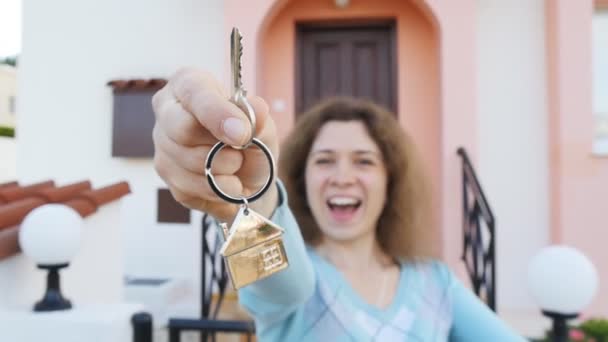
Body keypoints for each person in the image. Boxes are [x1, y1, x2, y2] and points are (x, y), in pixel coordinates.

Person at [152, 68, 526, 341]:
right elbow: (275, 283)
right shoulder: (297, 274)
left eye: (364, 161)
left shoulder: (436, 282)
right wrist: (248, 200)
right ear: (302, 177)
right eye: (324, 160)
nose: (343, 176)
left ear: (390, 180)